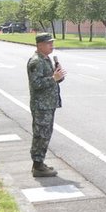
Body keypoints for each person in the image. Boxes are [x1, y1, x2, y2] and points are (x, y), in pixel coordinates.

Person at [27, 33, 66, 177]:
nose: (51, 45)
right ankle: (37, 165)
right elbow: (36, 84)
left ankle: (39, 163)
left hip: (48, 104)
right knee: (41, 134)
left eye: (52, 43)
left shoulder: (46, 59)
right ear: (39, 45)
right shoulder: (36, 61)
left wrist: (58, 76)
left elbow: (52, 80)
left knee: (45, 134)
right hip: (41, 105)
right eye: (48, 43)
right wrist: (53, 78)